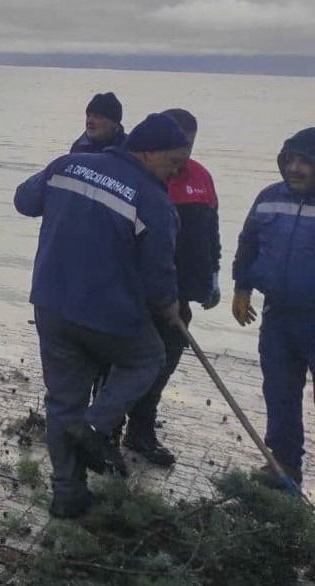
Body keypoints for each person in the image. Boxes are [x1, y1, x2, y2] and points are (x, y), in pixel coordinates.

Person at [15, 113, 188, 518]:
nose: (176, 172)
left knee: (63, 402)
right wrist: (170, 307)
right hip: (110, 316)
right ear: (148, 152)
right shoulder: (154, 202)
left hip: (53, 304)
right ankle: (96, 425)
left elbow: (24, 201)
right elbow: (159, 276)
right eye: (174, 162)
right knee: (148, 358)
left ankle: (67, 494)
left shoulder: (67, 165)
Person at [111, 108, 222, 466]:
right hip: (137, 295)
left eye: (190, 145)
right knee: (123, 364)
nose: (183, 155)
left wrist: (212, 276)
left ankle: (141, 431)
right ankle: (107, 431)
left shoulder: (201, 178)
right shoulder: (142, 178)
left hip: (181, 293)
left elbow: (211, 229)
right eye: (179, 146)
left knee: (163, 365)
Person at [231, 126, 315, 489]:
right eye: (290, 160)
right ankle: (283, 465)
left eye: (305, 161)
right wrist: (241, 286)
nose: (295, 168)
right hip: (278, 315)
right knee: (279, 391)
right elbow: (248, 242)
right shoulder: (268, 197)